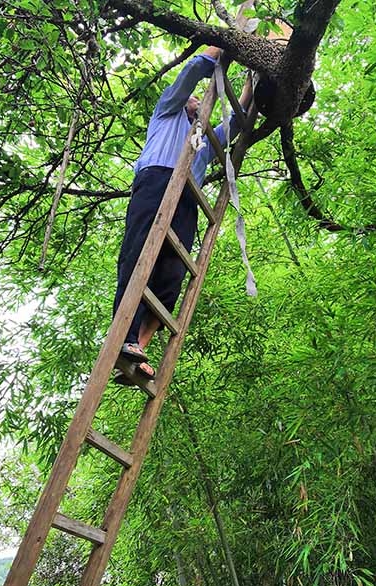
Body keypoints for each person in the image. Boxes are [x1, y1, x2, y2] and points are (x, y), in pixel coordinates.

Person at [113, 47, 253, 383]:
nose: (195, 100)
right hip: (157, 180)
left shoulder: (203, 138)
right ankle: (123, 339)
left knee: (172, 276)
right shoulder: (168, 111)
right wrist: (224, 43)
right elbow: (192, 71)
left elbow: (235, 122)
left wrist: (250, 83)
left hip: (188, 196)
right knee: (138, 258)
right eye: (193, 98)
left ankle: (139, 348)